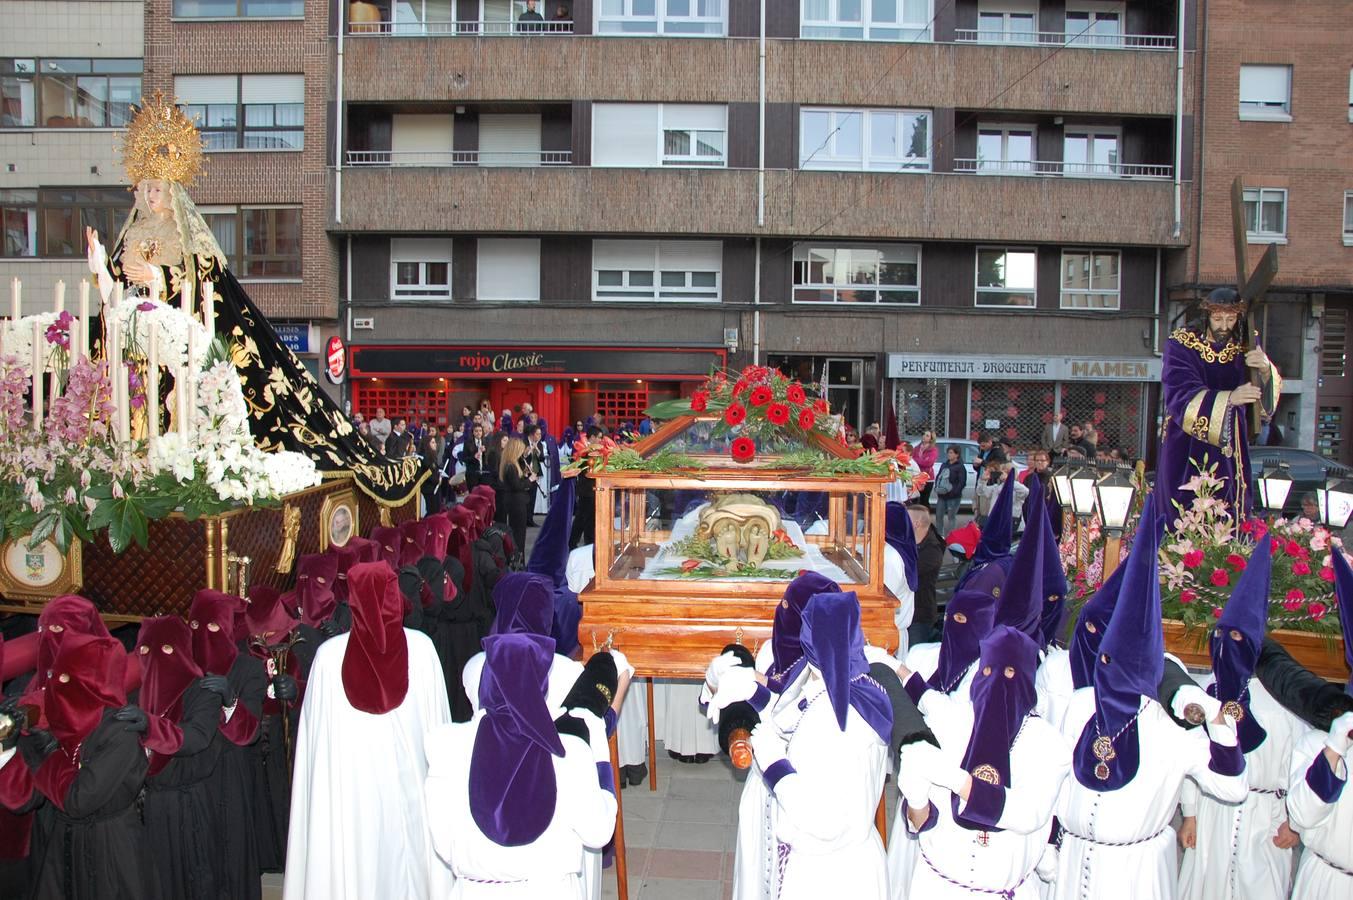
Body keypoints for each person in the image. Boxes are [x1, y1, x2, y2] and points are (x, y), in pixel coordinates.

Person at [1053, 496, 1248, 900]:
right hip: (1073, 863)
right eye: (1104, 661)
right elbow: (1058, 774)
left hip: (1134, 872)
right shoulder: (1081, 706)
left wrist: (1220, 730)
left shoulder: (1171, 731)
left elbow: (1232, 790)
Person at [284, 562, 453, 900]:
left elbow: (314, 749)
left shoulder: (329, 658)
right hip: (410, 787)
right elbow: (440, 732)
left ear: (353, 601)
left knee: (352, 866)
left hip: (348, 798)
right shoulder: (421, 649)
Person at [424, 633, 625, 896]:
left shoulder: (445, 745)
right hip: (548, 889)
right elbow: (599, 832)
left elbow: (443, 841)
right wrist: (600, 765)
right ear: (540, 686)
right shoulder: (569, 751)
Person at [1176, 536, 1309, 900]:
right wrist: (1190, 812)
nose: (1226, 644)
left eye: (1237, 637)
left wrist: (1296, 823)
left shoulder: (1281, 696)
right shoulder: (1206, 690)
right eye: (1220, 636)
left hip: (1265, 818)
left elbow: (1302, 761)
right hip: (1214, 811)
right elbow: (1188, 750)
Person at [895, 626, 1069, 900]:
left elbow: (1028, 813)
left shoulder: (1047, 744)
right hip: (939, 888)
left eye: (1010, 673)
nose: (996, 681)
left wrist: (955, 779)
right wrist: (917, 800)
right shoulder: (951, 721)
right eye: (987, 672)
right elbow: (920, 821)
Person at [748, 591, 892, 900]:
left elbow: (823, 820)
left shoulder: (829, 719)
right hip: (861, 861)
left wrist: (773, 762)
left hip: (825, 876)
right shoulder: (866, 691)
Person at [20, 631, 153, 900]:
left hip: (109, 851)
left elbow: (79, 798)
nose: (57, 686)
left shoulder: (120, 732)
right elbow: (27, 798)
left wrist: (45, 752)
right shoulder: (64, 719)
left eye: (66, 678)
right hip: (63, 844)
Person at [1158, 287, 1281, 526]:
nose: (1224, 326)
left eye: (1231, 319)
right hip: (1187, 441)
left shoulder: (1245, 341)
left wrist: (1265, 369)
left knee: (1230, 503)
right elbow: (1179, 393)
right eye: (1217, 319)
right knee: (1184, 506)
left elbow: (1263, 407)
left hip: (1231, 441)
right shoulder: (1182, 344)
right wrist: (1230, 399)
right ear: (1206, 316)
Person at [132, 615, 225, 900]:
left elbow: (196, 737)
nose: (155, 659)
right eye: (146, 651)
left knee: (196, 878)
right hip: (149, 805)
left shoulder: (201, 690)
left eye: (168, 650)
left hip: (191, 803)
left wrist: (150, 727)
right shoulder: (135, 692)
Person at [909, 504, 944, 643]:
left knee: (914, 657)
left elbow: (908, 572)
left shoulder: (932, 551)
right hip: (910, 612)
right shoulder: (912, 543)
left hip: (920, 616)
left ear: (916, 524)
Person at [499, 436, 537, 559]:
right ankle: (518, 560)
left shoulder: (512, 464)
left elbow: (517, 480)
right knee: (518, 534)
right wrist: (530, 480)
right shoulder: (510, 466)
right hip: (516, 503)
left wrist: (525, 475)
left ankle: (519, 558)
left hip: (515, 501)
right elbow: (517, 486)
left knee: (519, 532)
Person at [569, 426, 603, 549]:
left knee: (590, 519)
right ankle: (572, 543)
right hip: (585, 489)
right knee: (581, 518)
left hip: (594, 489)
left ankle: (589, 544)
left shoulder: (597, 450)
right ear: (592, 437)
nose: (600, 440)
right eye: (599, 438)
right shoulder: (582, 449)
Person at [934, 445, 967, 537]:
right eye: (948, 452)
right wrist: (937, 488)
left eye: (951, 453)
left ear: (957, 455)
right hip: (942, 495)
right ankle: (940, 535)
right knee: (938, 515)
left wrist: (954, 492)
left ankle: (951, 536)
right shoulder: (944, 465)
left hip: (953, 497)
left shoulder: (960, 467)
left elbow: (962, 482)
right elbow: (938, 477)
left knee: (951, 517)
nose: (949, 454)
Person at [913, 431, 939, 505]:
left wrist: (917, 460)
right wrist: (921, 461)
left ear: (931, 439)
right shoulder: (916, 448)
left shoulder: (933, 450)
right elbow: (912, 459)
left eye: (927, 435)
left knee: (924, 500)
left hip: (928, 478)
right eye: (924, 434)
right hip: (917, 477)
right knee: (916, 500)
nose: (924, 436)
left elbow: (928, 463)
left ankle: (926, 515)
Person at [461, 422, 488, 489]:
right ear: (473, 432)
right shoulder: (467, 443)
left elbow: (490, 457)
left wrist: (486, 451)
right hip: (472, 474)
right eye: (476, 431)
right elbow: (464, 458)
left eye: (480, 431)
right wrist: (473, 457)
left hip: (484, 473)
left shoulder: (486, 442)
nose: (478, 433)